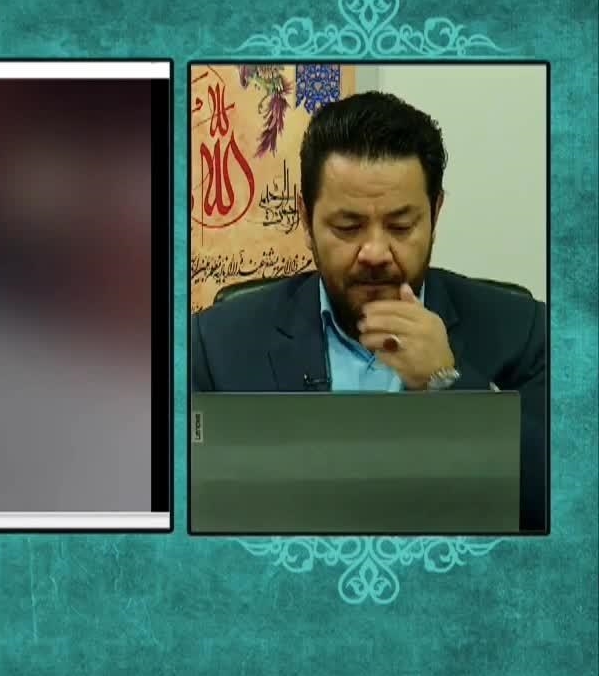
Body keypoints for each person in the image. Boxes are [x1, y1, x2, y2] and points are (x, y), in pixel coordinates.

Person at [189, 91, 547, 531]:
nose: (375, 252)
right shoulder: (216, 345)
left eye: (400, 225)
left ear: (435, 214)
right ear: (306, 219)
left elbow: (563, 504)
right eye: (348, 226)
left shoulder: (522, 331)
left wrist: (449, 385)